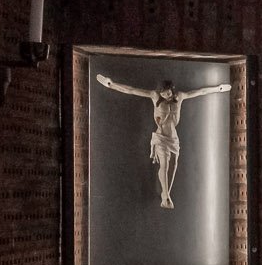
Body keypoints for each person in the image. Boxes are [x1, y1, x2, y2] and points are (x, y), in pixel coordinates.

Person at [96, 69, 231, 209]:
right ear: (159, 92)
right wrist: (111, 84)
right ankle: (166, 196)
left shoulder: (180, 96)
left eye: (168, 92)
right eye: (164, 93)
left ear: (172, 90)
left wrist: (218, 89)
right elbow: (131, 90)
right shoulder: (154, 96)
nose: (167, 95)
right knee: (164, 165)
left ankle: (166, 194)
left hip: (174, 139)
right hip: (161, 137)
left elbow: (200, 92)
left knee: (173, 166)